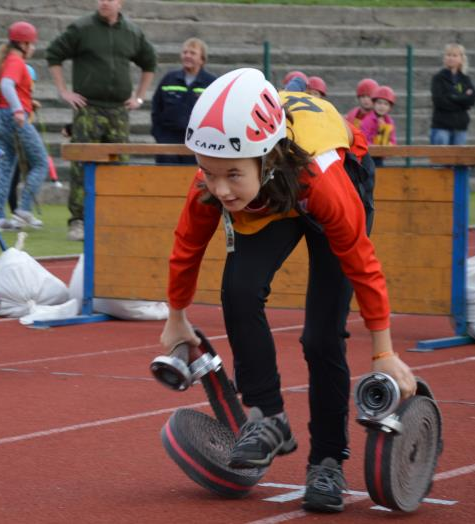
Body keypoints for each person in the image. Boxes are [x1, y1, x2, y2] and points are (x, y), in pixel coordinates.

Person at [159, 68, 415, 513]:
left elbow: (362, 262)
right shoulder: (216, 176)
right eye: (209, 173)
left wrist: (384, 353)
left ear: (267, 156)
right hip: (270, 194)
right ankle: (267, 419)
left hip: (329, 176)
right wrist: (176, 317)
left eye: (231, 176)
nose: (219, 189)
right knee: (237, 292)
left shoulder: (325, 180)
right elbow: (187, 246)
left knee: (321, 335)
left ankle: (328, 462)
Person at [46, 0, 157, 241]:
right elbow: (53, 54)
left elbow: (149, 62)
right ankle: (78, 220)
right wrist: (63, 91)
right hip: (89, 109)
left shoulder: (132, 32)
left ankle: (113, 218)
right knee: (81, 164)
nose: (104, 2)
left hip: (118, 111)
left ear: (120, 3)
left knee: (119, 166)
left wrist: (139, 97)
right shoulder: (82, 28)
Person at [0, 21, 50, 230]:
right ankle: (23, 210)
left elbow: (8, 88)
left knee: (4, 168)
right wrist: (19, 109)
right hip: (12, 118)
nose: (33, 48)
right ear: (23, 44)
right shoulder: (16, 61)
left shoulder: (7, 59)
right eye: (31, 44)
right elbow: (7, 84)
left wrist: (27, 104)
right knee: (41, 163)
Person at [150, 37, 216, 164]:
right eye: (185, 52)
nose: (187, 56)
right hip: (168, 143)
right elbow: (156, 109)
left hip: (198, 144)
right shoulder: (169, 79)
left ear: (202, 59)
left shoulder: (211, 83)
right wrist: (160, 137)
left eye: (192, 53)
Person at [430, 43, 475, 146]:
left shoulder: (465, 79)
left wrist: (452, 97)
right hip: (441, 126)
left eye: (454, 55)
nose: (451, 58)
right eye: (448, 55)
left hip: (460, 127)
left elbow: (472, 99)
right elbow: (439, 101)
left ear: (461, 59)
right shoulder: (438, 78)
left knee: (459, 160)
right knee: (442, 160)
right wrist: (462, 100)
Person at [361, 85, 397, 167]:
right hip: (368, 156)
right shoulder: (368, 120)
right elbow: (363, 138)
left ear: (390, 107)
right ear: (373, 104)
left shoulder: (389, 122)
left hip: (380, 155)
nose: (382, 106)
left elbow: (392, 140)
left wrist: (390, 145)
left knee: (379, 173)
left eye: (386, 104)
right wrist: (373, 146)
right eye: (379, 103)